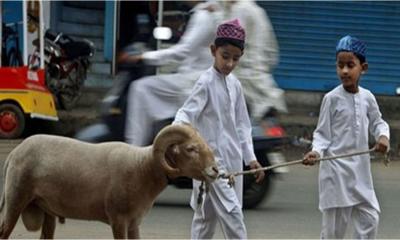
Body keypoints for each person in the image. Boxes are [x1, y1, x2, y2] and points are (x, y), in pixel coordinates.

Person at [173, 19, 265, 239]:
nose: (230, 64)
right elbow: (185, 114)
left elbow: (243, 125)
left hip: (233, 162)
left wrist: (250, 158)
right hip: (210, 164)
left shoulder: (235, 85)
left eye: (236, 58)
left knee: (206, 218)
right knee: (233, 215)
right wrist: (173, 137)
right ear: (213, 51)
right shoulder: (205, 83)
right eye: (225, 56)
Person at [302, 35, 390, 239]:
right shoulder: (331, 99)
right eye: (340, 65)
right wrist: (316, 152)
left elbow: (378, 122)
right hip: (336, 173)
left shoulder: (367, 97)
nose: (344, 71)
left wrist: (383, 137)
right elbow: (322, 134)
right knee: (334, 231)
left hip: (360, 172)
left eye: (350, 65)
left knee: (370, 218)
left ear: (363, 67)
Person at [122, 1, 222, 146]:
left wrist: (143, 57)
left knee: (140, 88)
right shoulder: (207, 13)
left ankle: (134, 151)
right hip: (197, 78)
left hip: (194, 82)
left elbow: (183, 51)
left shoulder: (204, 16)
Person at [224, 0, 287, 120]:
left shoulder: (240, 9)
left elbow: (229, 42)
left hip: (244, 76)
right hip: (261, 78)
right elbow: (272, 51)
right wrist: (263, 69)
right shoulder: (259, 11)